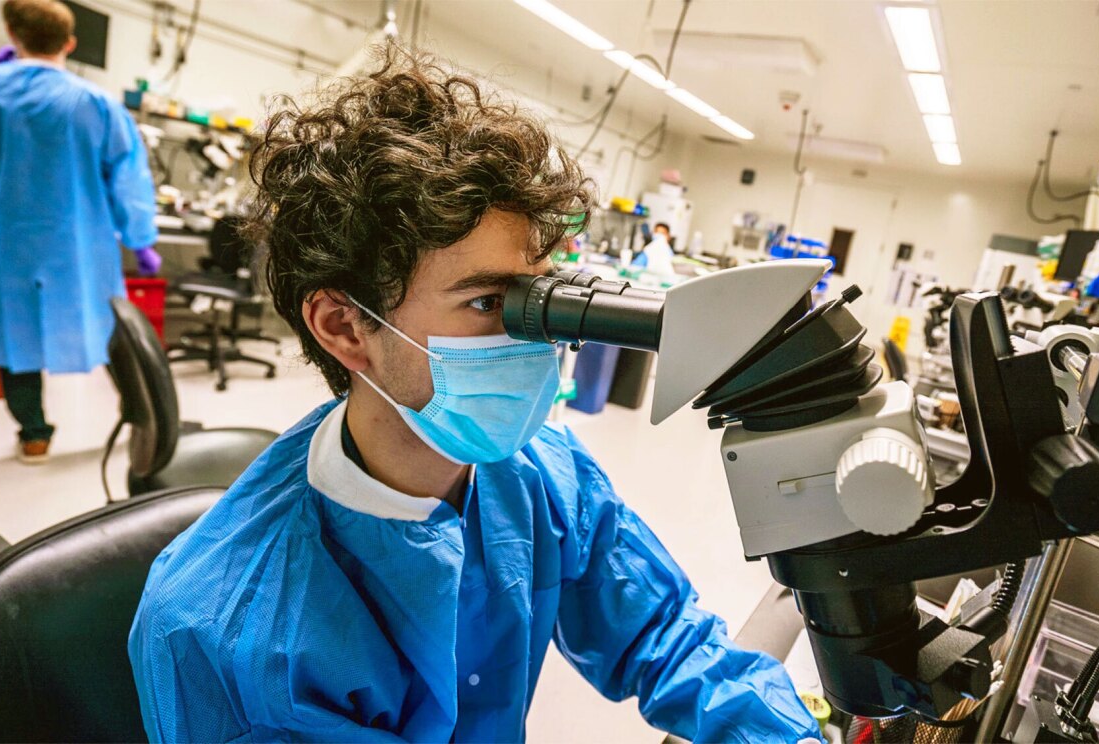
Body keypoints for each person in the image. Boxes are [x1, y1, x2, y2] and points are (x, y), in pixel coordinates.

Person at [128, 44, 820, 743]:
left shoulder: (544, 474)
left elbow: (669, 642)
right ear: (345, 327)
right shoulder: (224, 636)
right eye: (490, 302)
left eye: (541, 298)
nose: (537, 340)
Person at [0, 0, 160, 463]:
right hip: (81, 244)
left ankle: (34, 435)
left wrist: (1, 78)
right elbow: (126, 176)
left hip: (12, 242)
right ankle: (141, 414)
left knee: (17, 339)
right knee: (113, 330)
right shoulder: (95, 102)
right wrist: (140, 238)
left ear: (11, 34)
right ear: (69, 43)